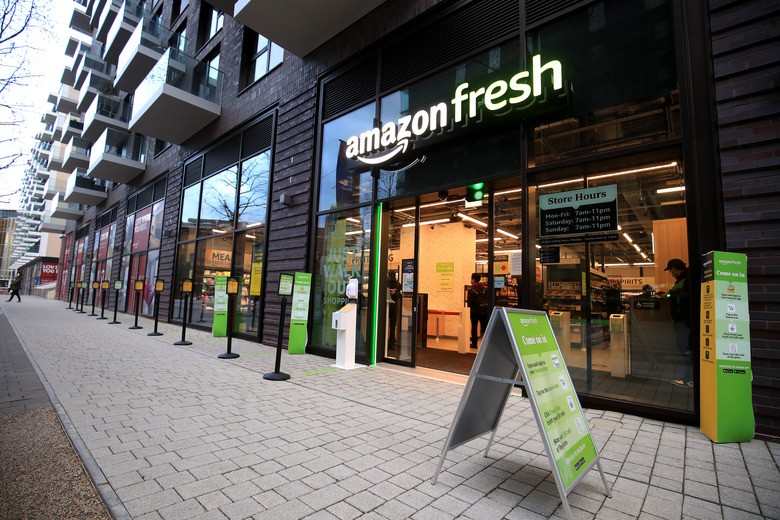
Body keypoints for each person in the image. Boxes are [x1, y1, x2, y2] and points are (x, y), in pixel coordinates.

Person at [666, 258, 693, 387]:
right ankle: (688, 377)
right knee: (684, 348)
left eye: (670, 270)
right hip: (681, 320)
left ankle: (689, 379)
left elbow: (689, 296)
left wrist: (674, 292)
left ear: (674, 269)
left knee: (686, 349)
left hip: (686, 320)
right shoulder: (680, 280)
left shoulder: (688, 278)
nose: (671, 273)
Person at [467, 273, 489, 348]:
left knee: (474, 327)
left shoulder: (471, 290)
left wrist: (469, 311)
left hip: (474, 311)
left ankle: (474, 343)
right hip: (484, 311)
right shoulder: (485, 289)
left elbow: (470, 302)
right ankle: (487, 344)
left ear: (473, 279)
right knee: (485, 328)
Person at [387, 272, 401, 348]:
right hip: (394, 307)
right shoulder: (397, 283)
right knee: (392, 326)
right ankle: (391, 341)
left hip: (386, 306)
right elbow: (400, 295)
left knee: (384, 325)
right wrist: (396, 293)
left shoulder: (385, 282)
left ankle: (382, 340)